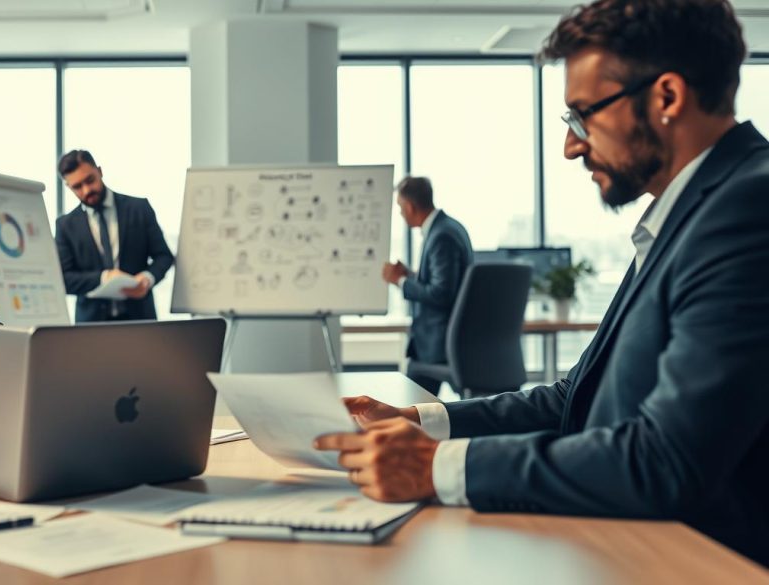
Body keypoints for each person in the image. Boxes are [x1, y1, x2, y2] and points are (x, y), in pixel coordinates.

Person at [316, 0, 769, 566]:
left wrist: (437, 468)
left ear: (667, 98)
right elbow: (573, 400)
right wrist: (424, 423)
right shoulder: (685, 216)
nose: (571, 146)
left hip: (696, 562)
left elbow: (666, 460)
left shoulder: (747, 209)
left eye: (583, 116)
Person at [54, 150, 174, 322]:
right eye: (77, 186)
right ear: (68, 186)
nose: (87, 190)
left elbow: (164, 256)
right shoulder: (65, 225)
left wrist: (147, 278)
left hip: (140, 319)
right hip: (91, 326)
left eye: (90, 180)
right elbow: (63, 279)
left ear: (100, 171)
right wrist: (105, 277)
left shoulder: (139, 209)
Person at [381, 176, 472, 395]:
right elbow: (445, 283)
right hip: (452, 339)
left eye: (400, 207)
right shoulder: (449, 227)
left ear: (409, 207)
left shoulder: (441, 235)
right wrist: (410, 275)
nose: (401, 213)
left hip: (439, 344)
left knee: (410, 398)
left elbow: (441, 293)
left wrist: (400, 281)